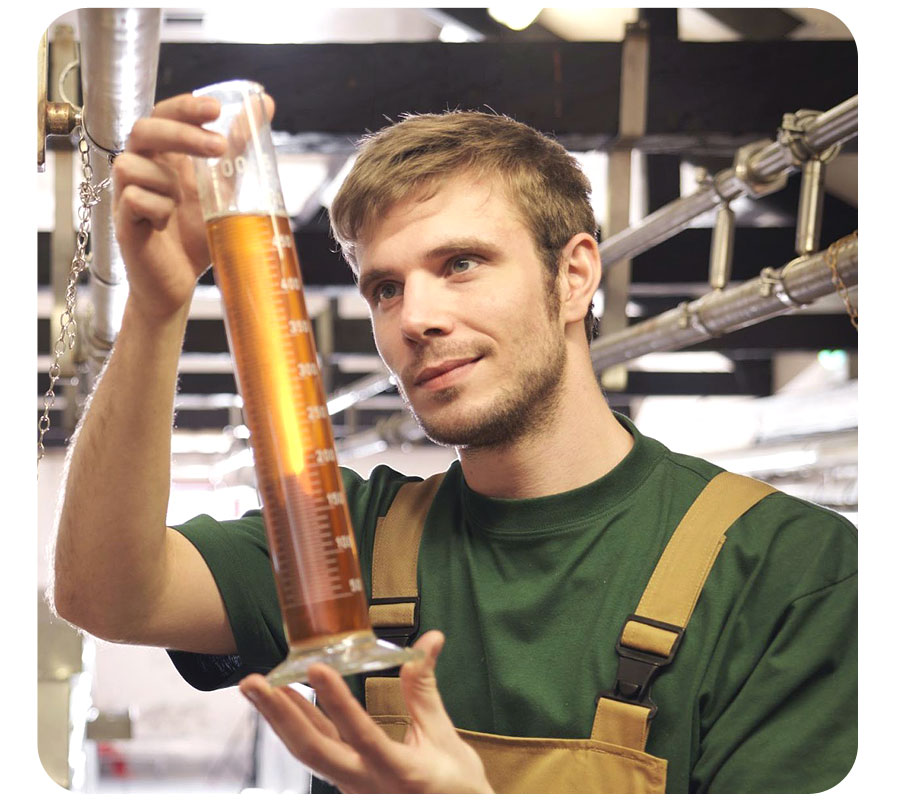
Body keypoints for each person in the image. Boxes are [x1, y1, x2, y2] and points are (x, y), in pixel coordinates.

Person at [51, 94, 857, 794]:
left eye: (461, 262)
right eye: (386, 287)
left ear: (574, 277)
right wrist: (156, 310)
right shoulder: (345, 547)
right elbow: (107, 594)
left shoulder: (791, 570)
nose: (415, 318)